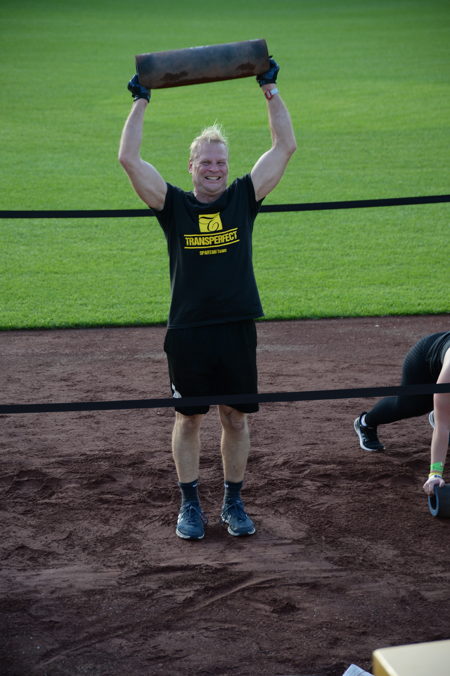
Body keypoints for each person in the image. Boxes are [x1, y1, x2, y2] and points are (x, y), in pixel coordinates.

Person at [118, 59, 296, 540]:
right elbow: (129, 160)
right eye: (206, 162)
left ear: (227, 168)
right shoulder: (173, 205)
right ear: (191, 167)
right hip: (189, 329)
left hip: (235, 325)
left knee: (235, 417)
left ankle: (233, 502)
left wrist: (270, 89)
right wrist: (140, 100)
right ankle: (190, 505)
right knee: (189, 417)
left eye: (220, 162)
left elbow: (285, 147)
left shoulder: (243, 198)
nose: (214, 169)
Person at [353, 331, 450, 495]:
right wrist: (435, 474)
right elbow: (443, 427)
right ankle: (365, 423)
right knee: (411, 406)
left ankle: (443, 412)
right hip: (424, 361)